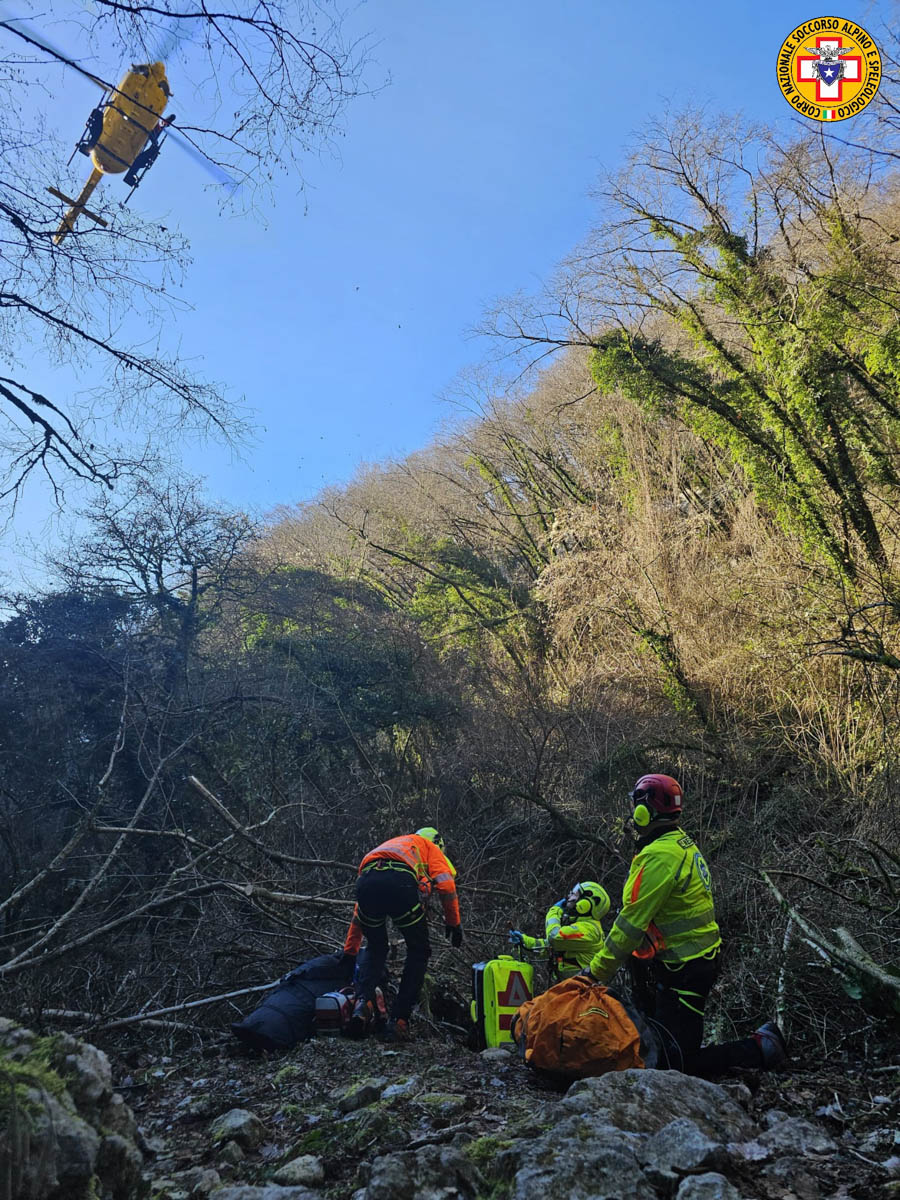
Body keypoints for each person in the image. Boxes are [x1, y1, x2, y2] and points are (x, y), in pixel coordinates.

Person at [583, 773, 787, 1077]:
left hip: (686, 970)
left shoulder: (660, 856)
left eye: (636, 806)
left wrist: (595, 973)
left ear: (645, 810)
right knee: (669, 1045)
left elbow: (629, 925)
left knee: (675, 1062)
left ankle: (759, 1050)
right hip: (690, 964)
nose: (632, 814)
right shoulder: (679, 843)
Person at [343, 826, 463, 1042]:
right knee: (419, 951)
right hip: (399, 885)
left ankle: (362, 1006)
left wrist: (349, 951)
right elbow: (446, 884)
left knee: (376, 947)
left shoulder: (393, 846)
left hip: (365, 884)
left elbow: (358, 913)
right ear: (438, 844)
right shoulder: (429, 846)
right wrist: (454, 923)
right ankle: (399, 1021)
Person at [509, 880, 611, 982]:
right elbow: (550, 946)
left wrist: (554, 911)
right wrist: (525, 941)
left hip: (581, 992)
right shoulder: (579, 925)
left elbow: (554, 938)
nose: (569, 898)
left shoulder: (589, 930)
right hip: (572, 990)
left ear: (586, 904)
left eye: (575, 895)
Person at [124, 114, 175, 187]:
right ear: (164, 120)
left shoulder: (160, 130)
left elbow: (153, 138)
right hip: (137, 139)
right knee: (153, 148)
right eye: (166, 122)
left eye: (167, 124)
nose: (165, 125)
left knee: (144, 157)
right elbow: (150, 131)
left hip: (140, 147)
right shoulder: (155, 123)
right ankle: (130, 178)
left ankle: (131, 179)